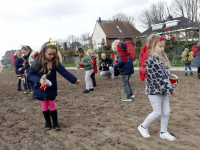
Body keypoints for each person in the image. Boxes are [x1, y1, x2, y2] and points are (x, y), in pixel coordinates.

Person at [28, 42, 80, 130]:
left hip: (51, 88)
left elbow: (64, 72)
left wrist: (74, 80)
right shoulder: (36, 63)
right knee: (44, 104)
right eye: (49, 54)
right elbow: (30, 75)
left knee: (51, 103)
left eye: (54, 54)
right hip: (41, 89)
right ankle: (48, 123)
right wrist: (39, 80)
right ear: (44, 52)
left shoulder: (55, 62)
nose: (52, 56)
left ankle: (55, 123)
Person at [138, 34, 178, 141]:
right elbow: (158, 78)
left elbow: (166, 74)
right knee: (157, 112)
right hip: (154, 91)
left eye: (163, 46)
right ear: (152, 47)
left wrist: (173, 81)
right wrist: (171, 89)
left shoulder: (162, 58)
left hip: (163, 90)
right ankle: (142, 127)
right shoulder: (150, 60)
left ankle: (163, 132)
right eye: (160, 46)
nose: (162, 48)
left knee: (166, 112)